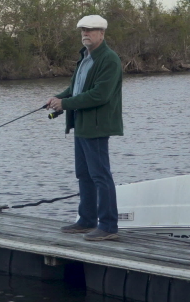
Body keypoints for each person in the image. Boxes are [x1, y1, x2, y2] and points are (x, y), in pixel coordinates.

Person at [45, 14, 123, 241]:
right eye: (82, 30)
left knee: (100, 175)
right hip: (81, 124)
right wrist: (56, 99)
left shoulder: (109, 59)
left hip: (97, 126)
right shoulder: (85, 58)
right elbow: (75, 89)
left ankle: (108, 226)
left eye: (90, 30)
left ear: (102, 33)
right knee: (84, 174)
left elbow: (100, 94)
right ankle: (87, 221)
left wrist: (65, 103)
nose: (85, 34)